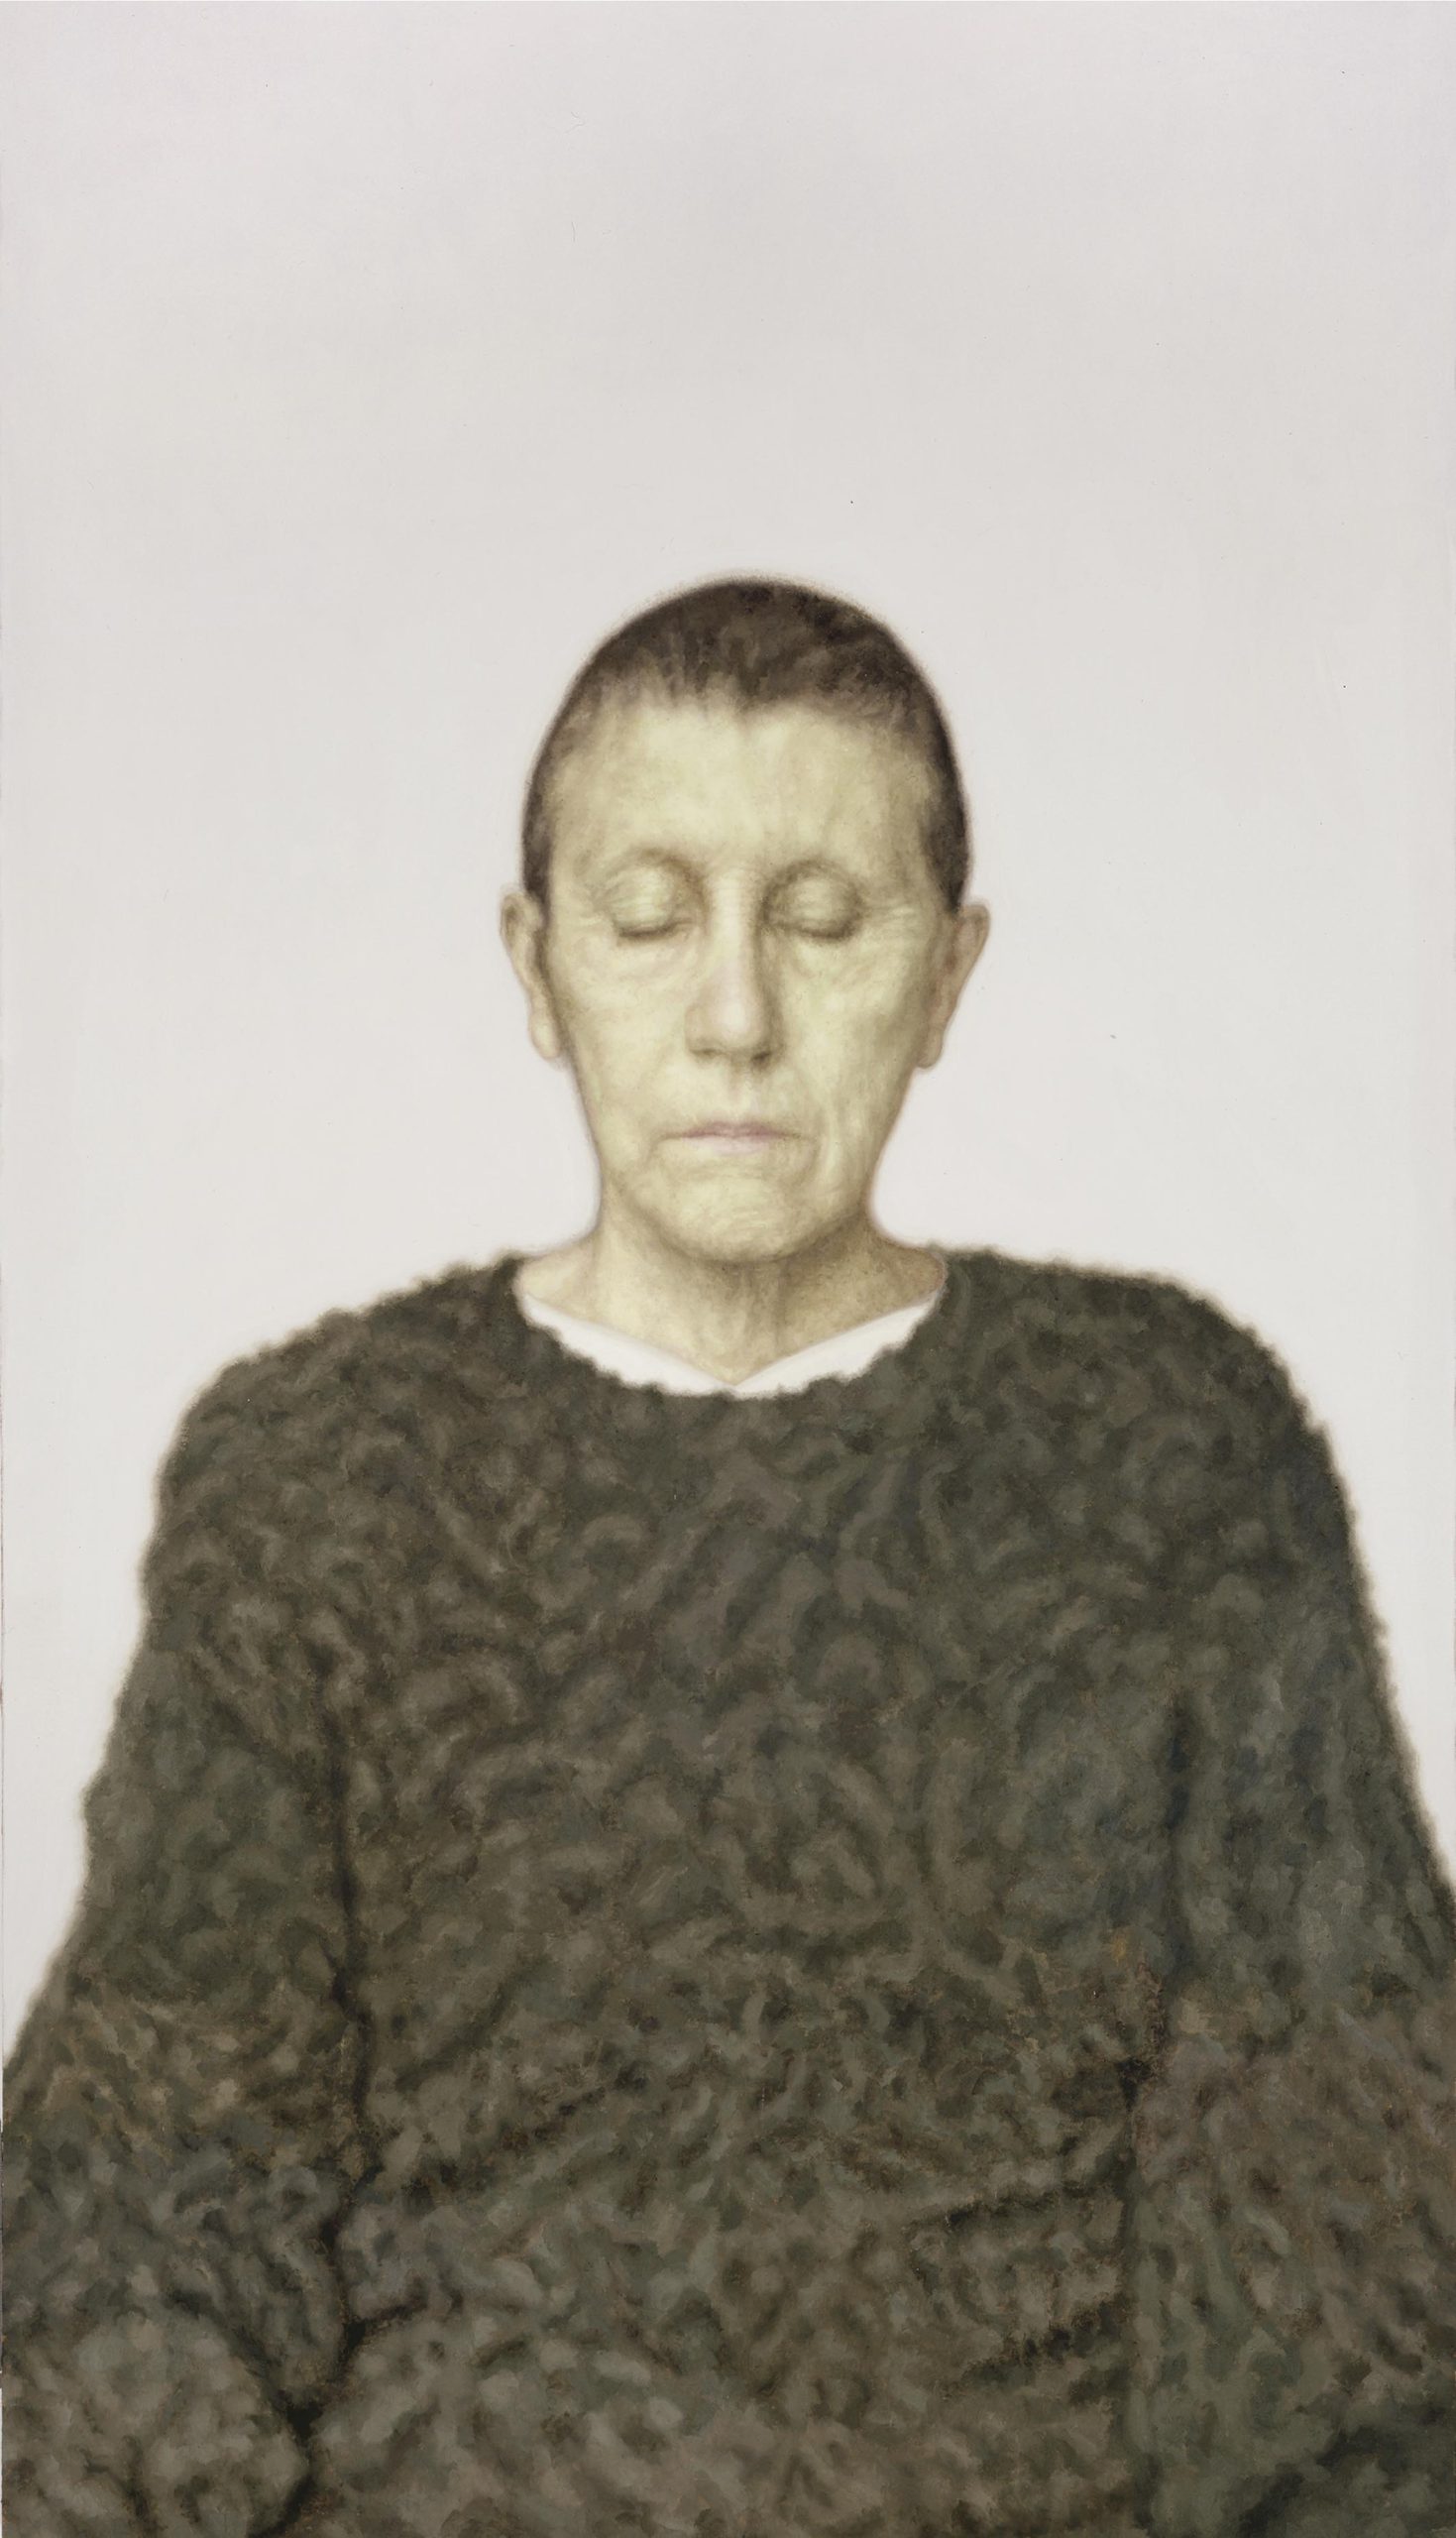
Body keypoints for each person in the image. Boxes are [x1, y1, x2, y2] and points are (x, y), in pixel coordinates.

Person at [7, 578, 1454, 2538]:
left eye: (824, 919)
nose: (737, 1017)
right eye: (647, 917)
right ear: (536, 965)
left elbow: (1346, 2229)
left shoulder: (1170, 1447)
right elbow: (157, 2180)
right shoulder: (315, 1472)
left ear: (947, 973)